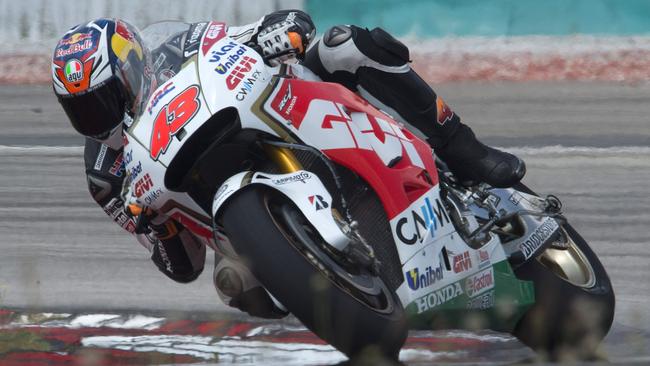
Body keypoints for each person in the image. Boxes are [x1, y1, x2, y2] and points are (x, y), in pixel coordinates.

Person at [51, 10, 525, 318]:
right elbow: (182, 269)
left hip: (279, 113)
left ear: (134, 66)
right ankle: (338, 289)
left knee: (348, 43)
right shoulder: (104, 176)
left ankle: (463, 147)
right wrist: (159, 232)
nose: (99, 119)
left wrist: (281, 30)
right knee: (234, 285)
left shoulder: (178, 48)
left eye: (105, 99)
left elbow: (257, 32)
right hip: (229, 220)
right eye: (83, 111)